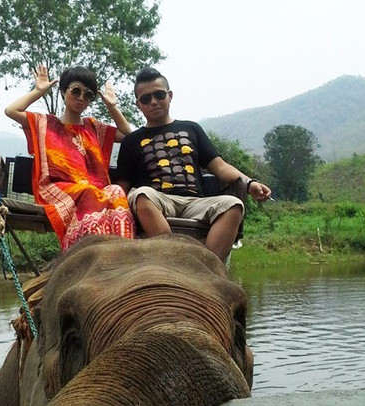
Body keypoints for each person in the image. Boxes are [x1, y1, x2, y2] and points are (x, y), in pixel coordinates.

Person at [116, 67, 271, 262]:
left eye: (159, 95)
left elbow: (220, 167)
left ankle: (208, 267)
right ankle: (175, 261)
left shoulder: (191, 129)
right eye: (146, 99)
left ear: (170, 96)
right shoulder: (132, 140)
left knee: (233, 205)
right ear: (138, 104)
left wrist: (249, 183)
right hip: (158, 201)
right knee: (140, 195)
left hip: (195, 203)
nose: (153, 101)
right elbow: (123, 187)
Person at [4, 64, 136, 250]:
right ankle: (87, 251)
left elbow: (128, 136)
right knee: (89, 192)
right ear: (63, 92)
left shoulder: (94, 127)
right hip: (57, 188)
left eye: (88, 94)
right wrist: (38, 91)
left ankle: (121, 250)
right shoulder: (46, 123)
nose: (81, 98)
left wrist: (112, 106)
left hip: (95, 191)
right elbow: (11, 111)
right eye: (76, 91)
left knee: (115, 191)